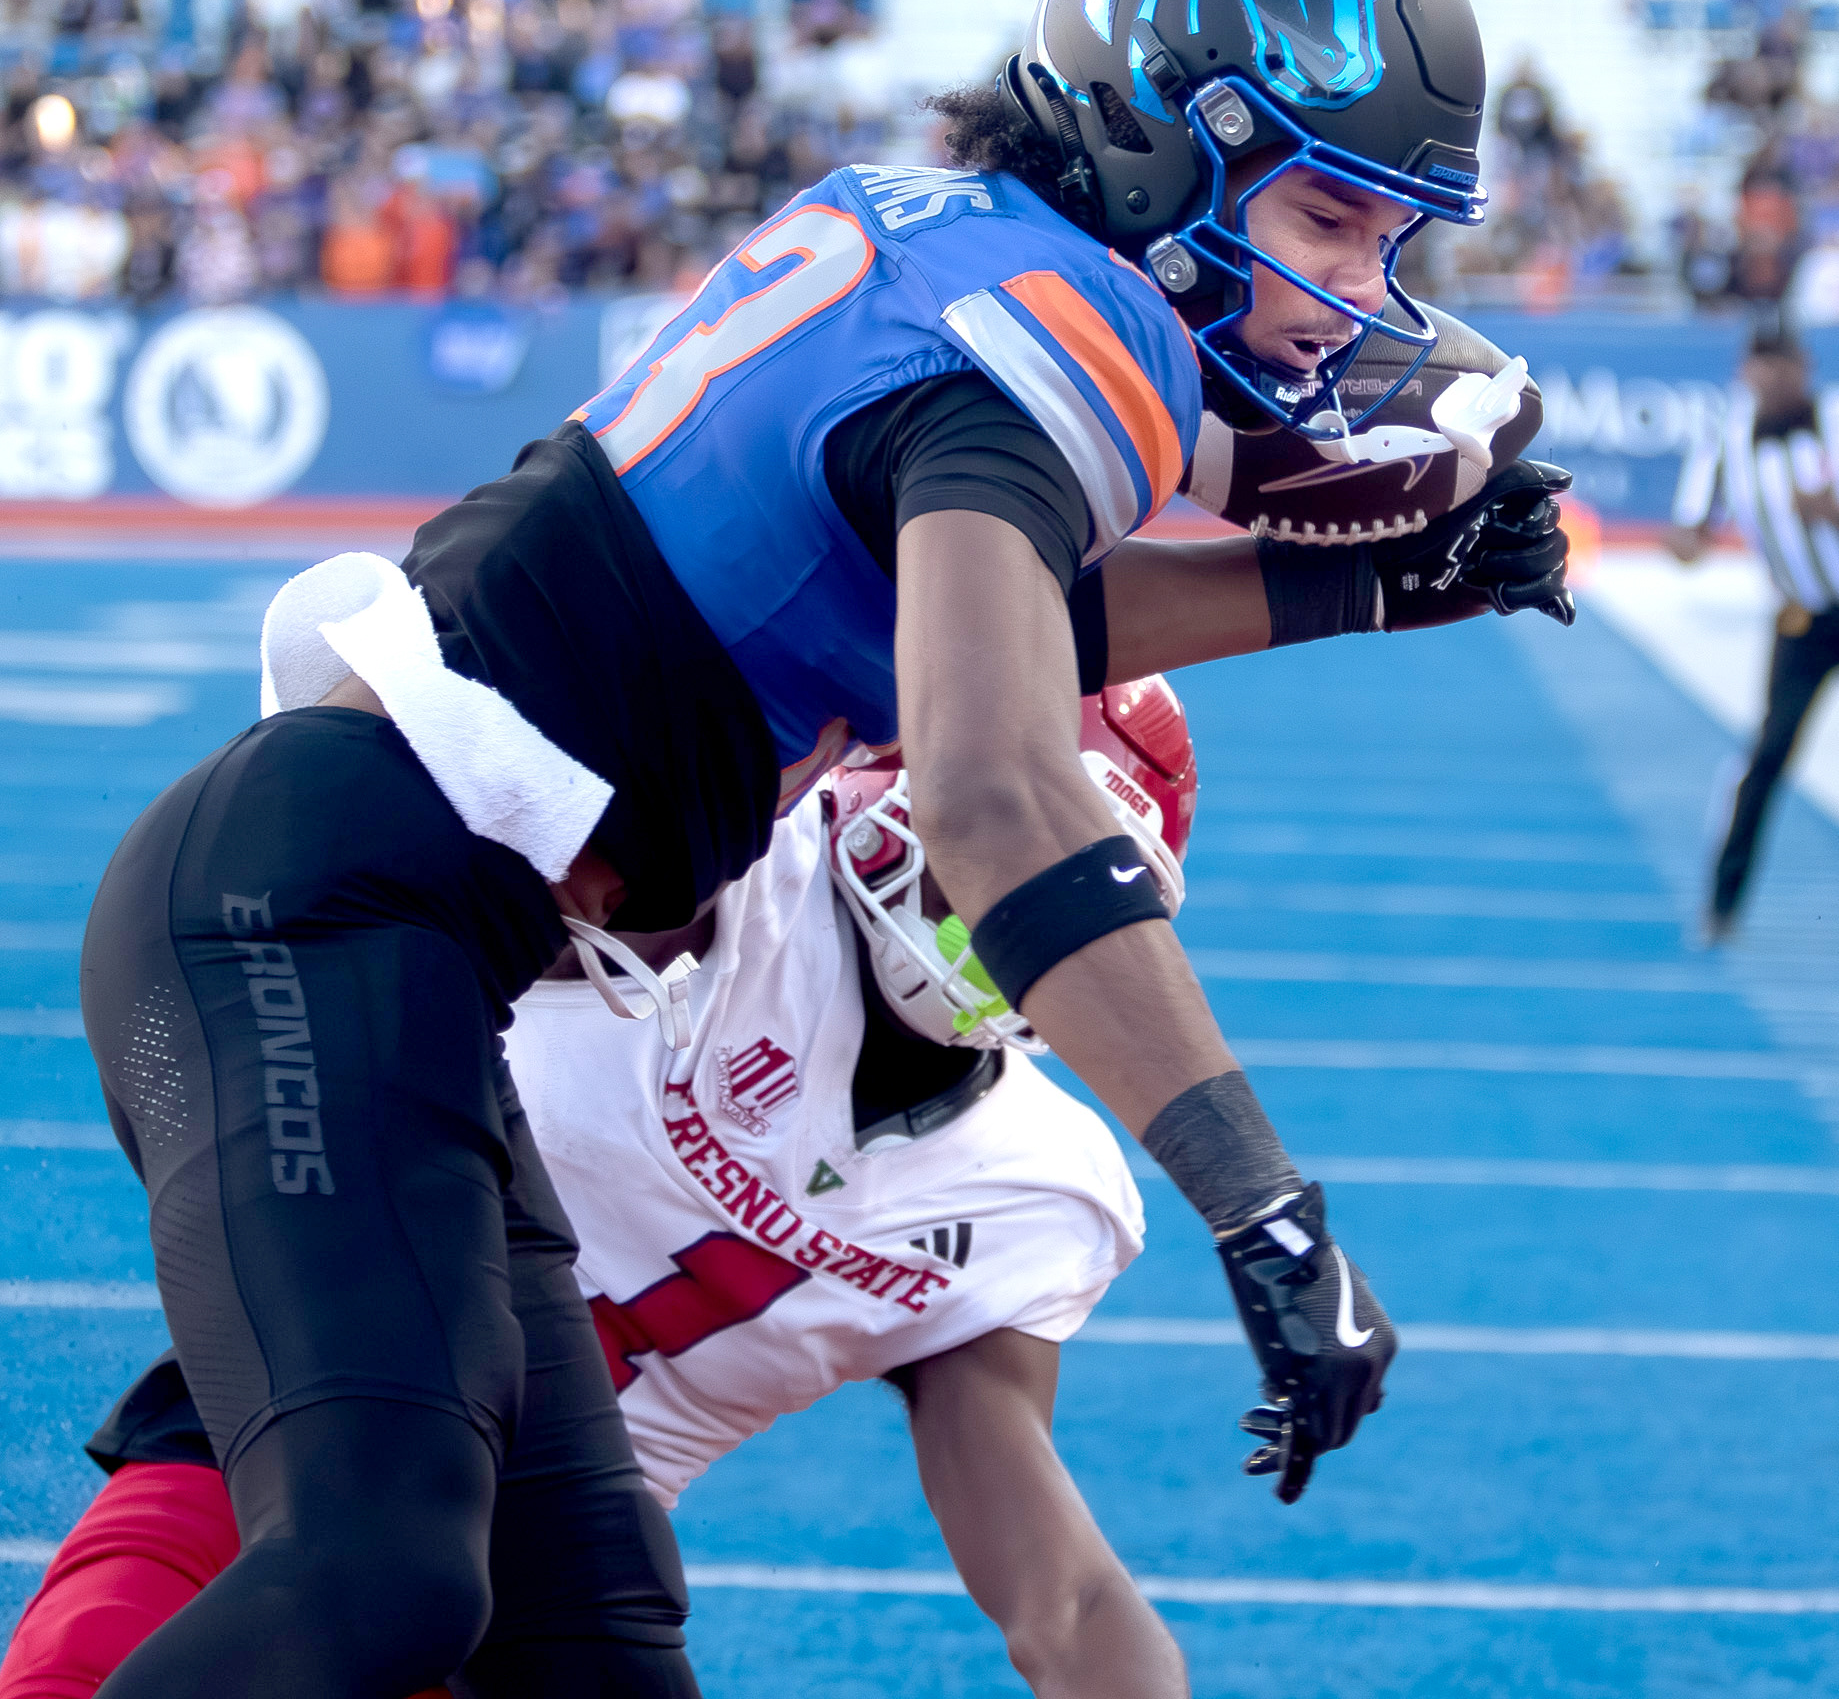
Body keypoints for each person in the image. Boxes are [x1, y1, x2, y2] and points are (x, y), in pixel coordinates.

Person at [77, 0, 1572, 1695]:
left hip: (368, 912)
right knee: (380, 1570)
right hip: (321, 911)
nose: (1355, 291)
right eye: (1333, 224)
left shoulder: (964, 262)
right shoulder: (1058, 334)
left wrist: (1351, 587)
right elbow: (996, 784)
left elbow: (998, 631)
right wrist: (1256, 1199)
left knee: (591, 1638)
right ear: (1178, 144)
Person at [15, 689, 1195, 1699]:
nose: (1003, 900)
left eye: (1061, 874)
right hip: (285, 1451)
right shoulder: (717, 873)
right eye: (988, 838)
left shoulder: (1040, 1192)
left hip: (554, 1587)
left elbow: (1061, 1590)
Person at [1670, 334, 1839, 938]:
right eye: (1757, 370)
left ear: (1803, 370)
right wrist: (1689, 545)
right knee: (1767, 756)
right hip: (1802, 617)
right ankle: (1722, 902)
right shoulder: (1726, 436)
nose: (1766, 383)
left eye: (1780, 370)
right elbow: (1690, 532)